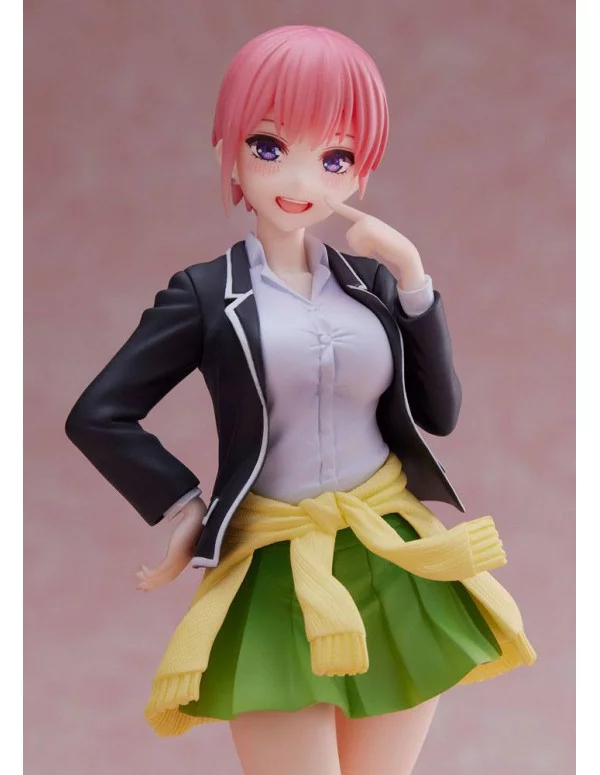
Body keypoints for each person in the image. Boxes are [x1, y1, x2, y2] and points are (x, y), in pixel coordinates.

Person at [65, 25, 536, 775]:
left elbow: (439, 413)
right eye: (269, 146)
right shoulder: (206, 295)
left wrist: (414, 279)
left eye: (334, 157)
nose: (300, 177)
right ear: (231, 153)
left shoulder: (371, 284)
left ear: (359, 172)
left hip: (390, 555)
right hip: (277, 564)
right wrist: (186, 506)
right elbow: (99, 414)